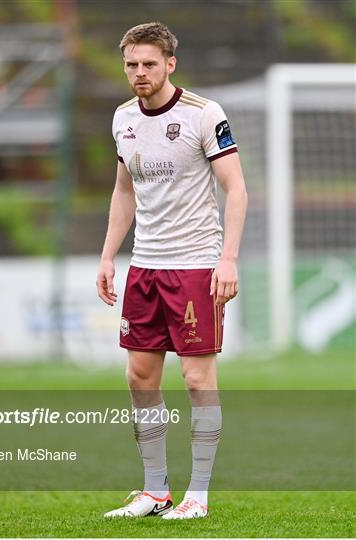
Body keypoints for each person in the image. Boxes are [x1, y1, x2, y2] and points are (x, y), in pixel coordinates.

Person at [96, 21, 247, 520]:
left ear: (170, 64)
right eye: (131, 65)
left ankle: (197, 496)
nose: (139, 73)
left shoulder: (205, 115)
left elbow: (237, 188)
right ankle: (154, 490)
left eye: (148, 64)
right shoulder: (122, 118)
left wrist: (227, 260)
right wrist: (107, 255)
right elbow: (124, 191)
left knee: (197, 378)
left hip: (195, 265)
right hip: (145, 267)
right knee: (139, 376)